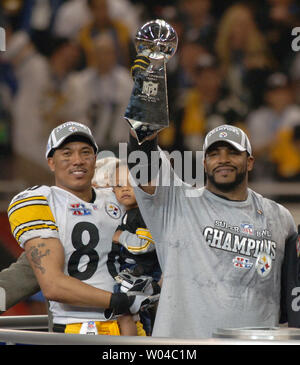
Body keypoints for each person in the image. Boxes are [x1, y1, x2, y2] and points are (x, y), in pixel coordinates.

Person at [126, 81, 298, 338]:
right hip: (185, 349)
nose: (224, 160)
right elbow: (143, 160)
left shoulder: (279, 218)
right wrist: (146, 93)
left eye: (233, 153)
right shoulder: (177, 202)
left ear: (249, 162)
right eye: (215, 154)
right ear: (204, 163)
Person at [7, 121, 151, 335]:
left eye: (86, 153)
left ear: (95, 160)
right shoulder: (41, 200)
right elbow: (50, 284)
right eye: (66, 153)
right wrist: (122, 301)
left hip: (131, 325)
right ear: (51, 162)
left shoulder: (117, 198)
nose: (77, 160)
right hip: (78, 327)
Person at [106, 162, 161, 335]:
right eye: (119, 185)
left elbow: (146, 244)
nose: (125, 189)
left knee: (127, 312)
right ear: (112, 190)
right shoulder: (127, 214)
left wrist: (120, 236)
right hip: (132, 273)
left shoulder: (142, 214)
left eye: (131, 184)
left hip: (143, 275)